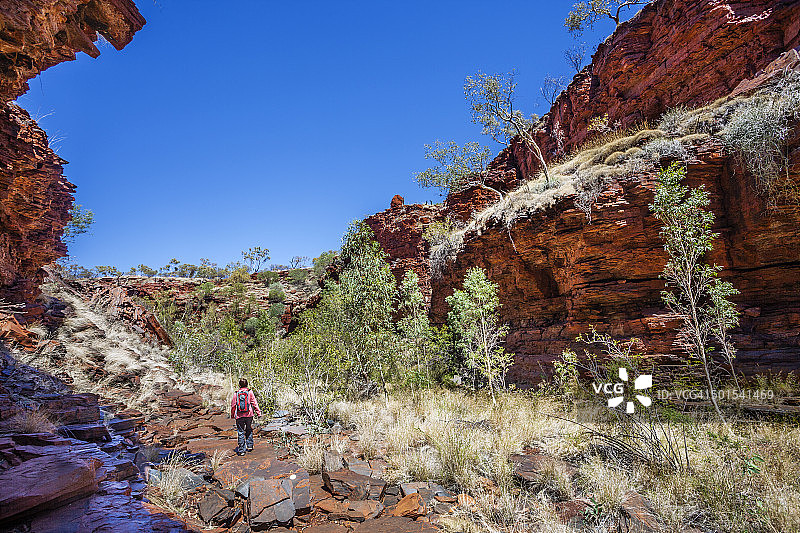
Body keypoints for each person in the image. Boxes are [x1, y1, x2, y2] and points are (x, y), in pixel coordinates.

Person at [230, 378, 262, 455]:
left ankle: (241, 450)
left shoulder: (236, 393)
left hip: (239, 416)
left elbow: (233, 405)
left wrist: (232, 415)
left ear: (239, 385)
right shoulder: (249, 392)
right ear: (247, 384)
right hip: (249, 415)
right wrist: (258, 413)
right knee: (248, 429)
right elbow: (254, 403)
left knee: (240, 432)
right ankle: (250, 446)